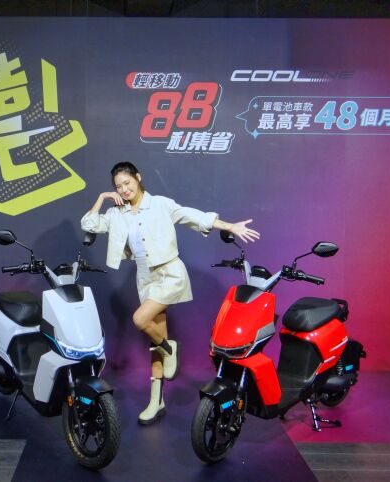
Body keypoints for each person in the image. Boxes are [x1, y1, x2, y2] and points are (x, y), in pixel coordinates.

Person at [81, 161, 261, 425]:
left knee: (141, 320)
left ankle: (169, 348)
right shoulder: (116, 213)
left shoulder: (160, 204)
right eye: (118, 187)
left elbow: (193, 216)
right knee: (155, 341)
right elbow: (89, 224)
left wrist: (229, 226)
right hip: (145, 277)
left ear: (138, 178)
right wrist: (101, 197)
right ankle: (157, 400)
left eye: (127, 183)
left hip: (169, 273)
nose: (124, 189)